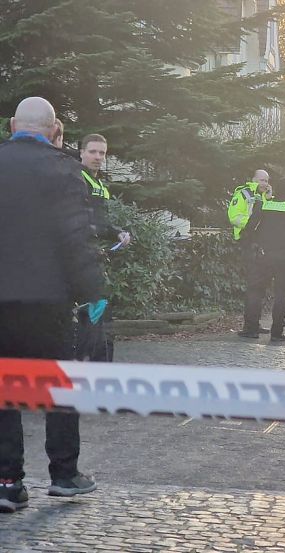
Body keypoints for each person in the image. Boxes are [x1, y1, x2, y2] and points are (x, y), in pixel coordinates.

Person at [0, 97, 105, 512]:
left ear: (12, 125)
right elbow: (75, 240)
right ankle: (64, 475)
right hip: (48, 301)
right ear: (55, 130)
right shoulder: (64, 170)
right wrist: (95, 292)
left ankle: (7, 482)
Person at [77, 133, 130, 362]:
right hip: (79, 261)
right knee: (89, 320)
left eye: (102, 153)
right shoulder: (76, 180)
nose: (98, 157)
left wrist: (118, 232)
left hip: (95, 260)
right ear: (81, 152)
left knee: (99, 319)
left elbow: (101, 221)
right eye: (92, 152)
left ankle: (100, 369)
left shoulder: (99, 184)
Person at [238, 182, 285, 342]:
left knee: (255, 291)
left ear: (275, 191)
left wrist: (255, 243)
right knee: (281, 294)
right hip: (284, 257)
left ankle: (251, 329)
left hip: (263, 256)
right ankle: (276, 333)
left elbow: (249, 228)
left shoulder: (262, 206)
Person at [229, 170, 273, 335]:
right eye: (262, 180)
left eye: (267, 180)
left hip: (260, 244)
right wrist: (253, 224)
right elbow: (234, 217)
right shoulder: (243, 194)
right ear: (253, 180)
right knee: (254, 286)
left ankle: (254, 324)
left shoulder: (262, 196)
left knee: (260, 287)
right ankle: (250, 327)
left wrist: (268, 198)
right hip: (248, 242)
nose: (265, 183)